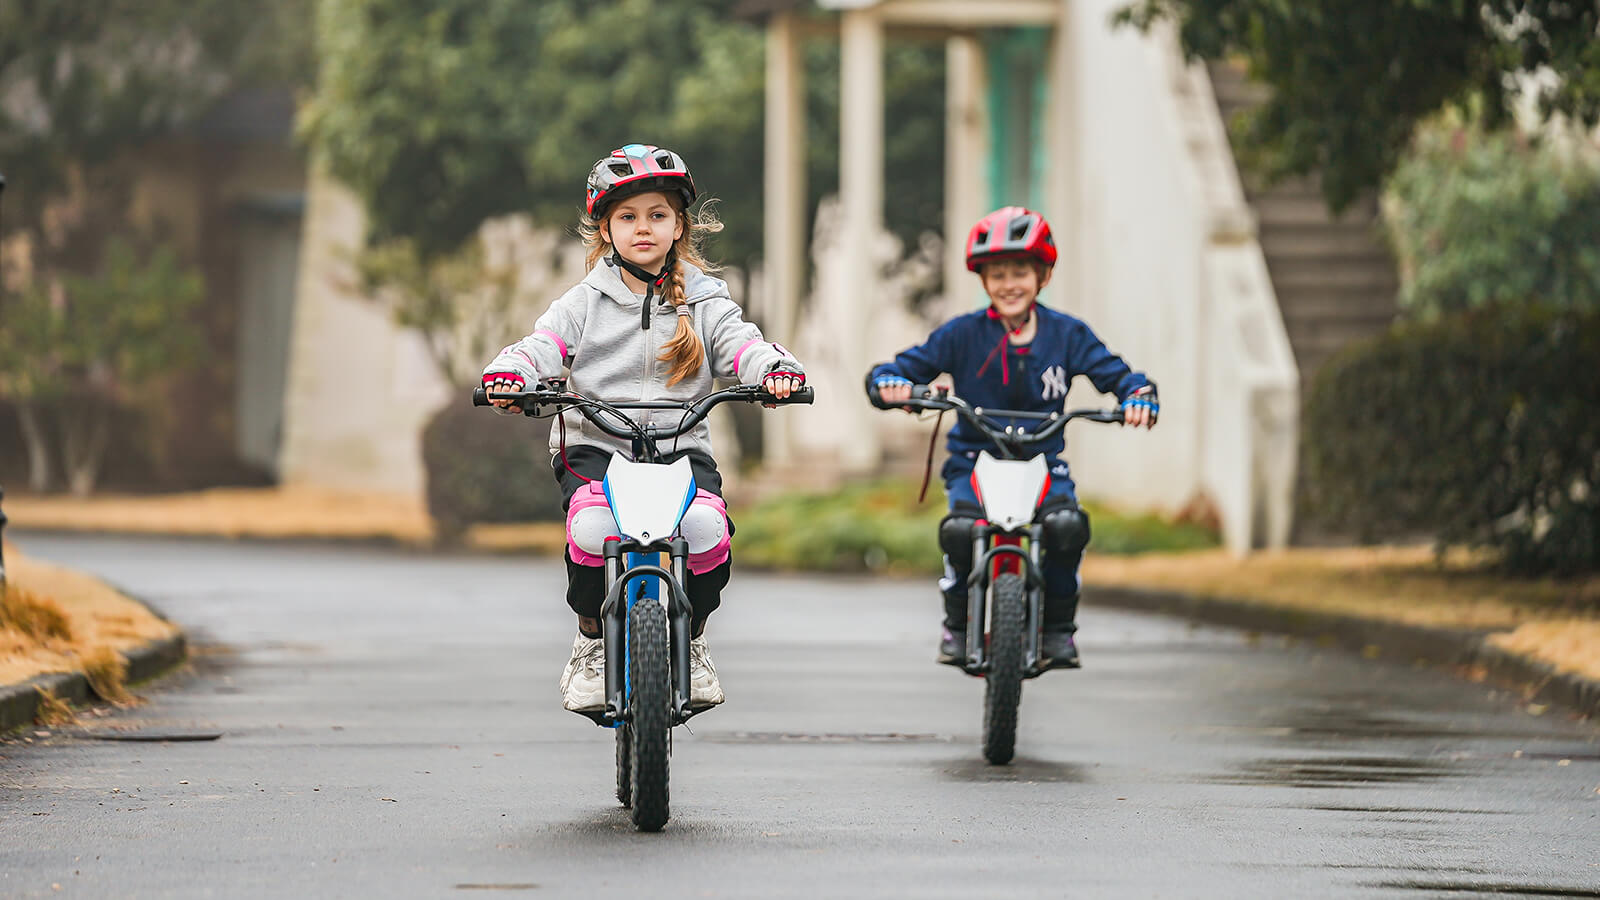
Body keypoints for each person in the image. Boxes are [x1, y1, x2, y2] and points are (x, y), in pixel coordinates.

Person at [482, 144, 805, 712]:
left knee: (706, 529)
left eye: (657, 215)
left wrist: (773, 370)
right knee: (592, 530)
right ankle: (591, 642)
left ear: (679, 226)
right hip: (596, 444)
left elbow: (742, 345)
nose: (643, 228)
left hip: (680, 445)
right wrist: (513, 374)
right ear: (605, 229)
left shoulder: (705, 300)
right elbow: (542, 346)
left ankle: (694, 640)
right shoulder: (582, 302)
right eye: (627, 217)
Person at [866, 206, 1157, 670]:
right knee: (960, 531)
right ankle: (958, 625)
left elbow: (1118, 375)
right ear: (983, 280)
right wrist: (891, 384)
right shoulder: (962, 334)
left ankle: (1058, 628)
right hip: (973, 460)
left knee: (1066, 527)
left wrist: (1137, 395)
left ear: (1043, 275)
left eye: (1020, 272)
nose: (1009, 284)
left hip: (1043, 461)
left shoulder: (1068, 334)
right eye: (997, 274)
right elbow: (898, 368)